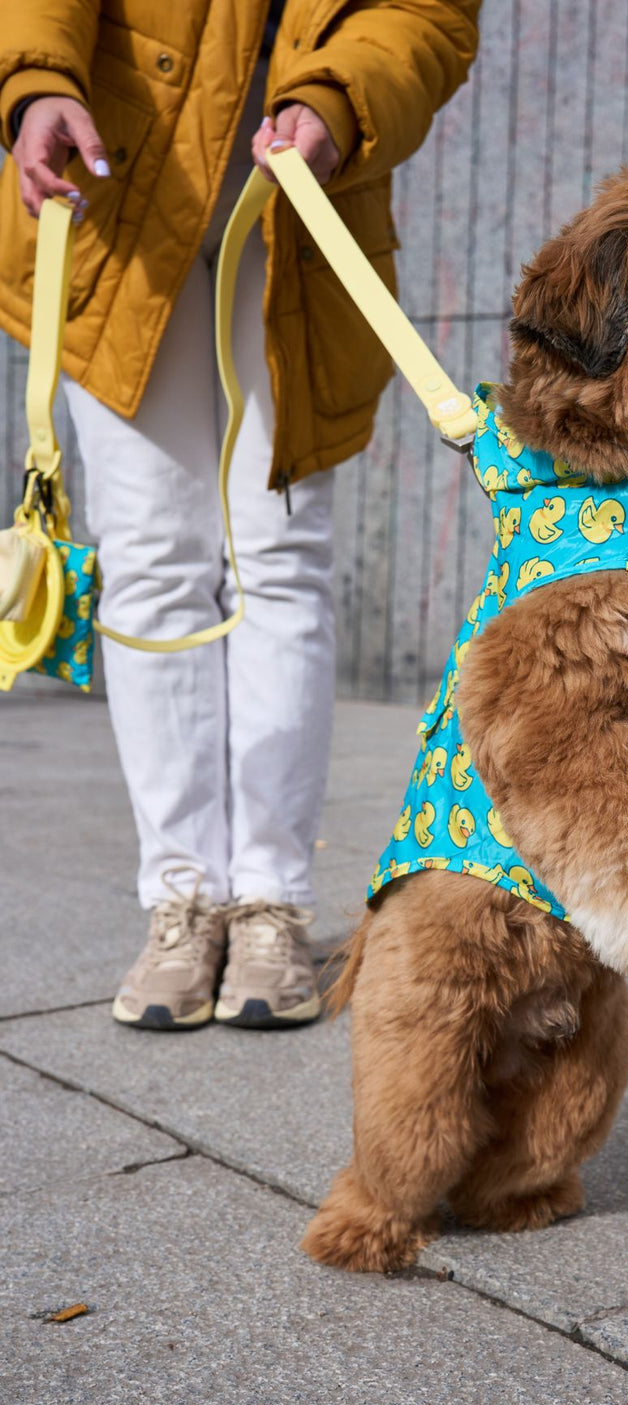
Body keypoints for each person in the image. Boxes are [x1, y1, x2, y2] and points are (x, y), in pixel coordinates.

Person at [0, 2, 480, 1030]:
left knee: (281, 558)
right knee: (150, 559)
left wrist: (340, 97)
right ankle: (182, 899)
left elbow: (425, 14)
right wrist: (35, 77)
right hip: (117, 184)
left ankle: (268, 900)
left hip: (307, 196)